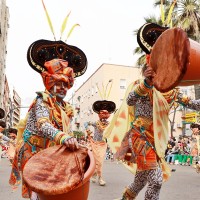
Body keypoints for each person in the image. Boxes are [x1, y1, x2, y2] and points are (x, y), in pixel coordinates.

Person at [104, 22, 200, 200]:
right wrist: (146, 83)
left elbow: (193, 104)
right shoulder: (141, 85)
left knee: (140, 180)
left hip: (157, 141)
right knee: (155, 180)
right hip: (140, 137)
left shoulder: (171, 90)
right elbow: (130, 100)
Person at [9, 39, 87, 200]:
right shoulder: (42, 100)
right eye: (58, 83)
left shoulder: (66, 108)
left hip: (50, 154)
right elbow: (44, 126)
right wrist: (65, 138)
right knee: (38, 192)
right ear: (49, 83)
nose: (63, 88)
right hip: (33, 152)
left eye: (66, 85)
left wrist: (75, 141)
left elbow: (67, 131)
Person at [84, 100, 116, 186]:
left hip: (102, 144)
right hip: (94, 143)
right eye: (102, 114)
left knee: (100, 161)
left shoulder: (109, 124)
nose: (104, 117)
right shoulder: (96, 123)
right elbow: (85, 123)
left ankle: (99, 176)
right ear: (99, 115)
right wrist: (88, 132)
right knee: (96, 161)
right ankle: (98, 177)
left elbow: (114, 129)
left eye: (106, 114)